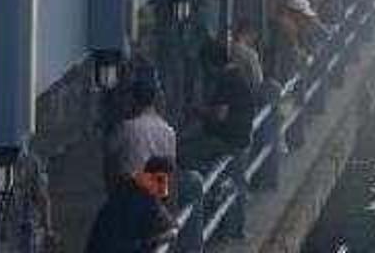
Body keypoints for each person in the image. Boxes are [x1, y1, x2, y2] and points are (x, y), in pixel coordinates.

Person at [180, 41, 256, 169]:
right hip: (239, 138)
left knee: (183, 152)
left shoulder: (227, 80)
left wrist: (197, 110)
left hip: (229, 141)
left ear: (211, 63)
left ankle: (202, 182)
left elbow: (220, 114)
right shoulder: (238, 74)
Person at [84, 156, 178, 253]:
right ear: (147, 177)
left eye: (167, 182)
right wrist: (155, 241)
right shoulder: (129, 200)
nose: (164, 188)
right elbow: (118, 245)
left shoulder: (142, 197)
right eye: (160, 180)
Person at [104, 75, 177, 187]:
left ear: (133, 99)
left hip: (129, 190)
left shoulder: (126, 128)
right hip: (156, 192)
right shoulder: (169, 132)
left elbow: (108, 155)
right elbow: (170, 171)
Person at [229, 19, 265, 91]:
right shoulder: (250, 54)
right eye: (253, 35)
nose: (254, 39)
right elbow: (258, 81)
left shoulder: (228, 49)